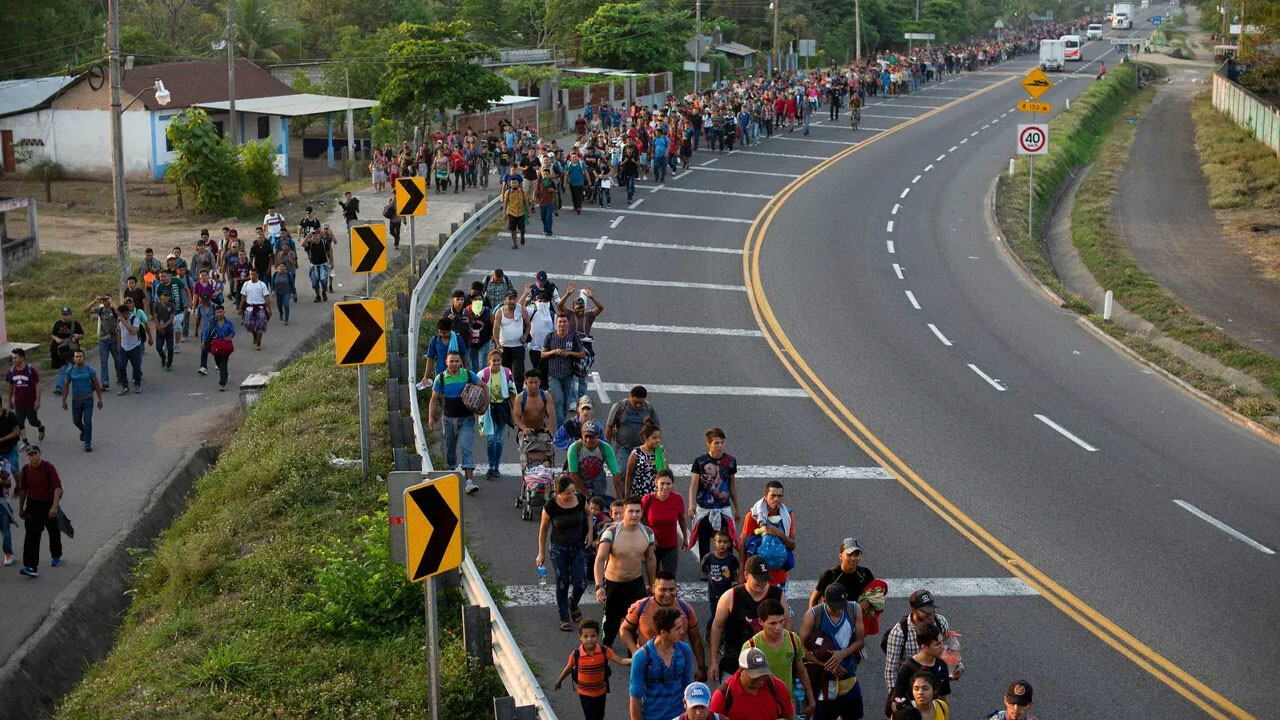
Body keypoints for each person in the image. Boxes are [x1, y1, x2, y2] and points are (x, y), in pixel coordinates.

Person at [709, 556, 787, 682]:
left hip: (768, 663)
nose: (761, 583)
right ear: (746, 575)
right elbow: (717, 627)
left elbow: (787, 625)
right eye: (758, 579)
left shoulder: (777, 594)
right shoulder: (730, 596)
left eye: (765, 579)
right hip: (735, 662)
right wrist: (713, 661)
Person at [594, 495, 657, 649]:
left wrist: (652, 584)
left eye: (637, 511)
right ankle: (604, 652)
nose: (634, 515)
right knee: (610, 625)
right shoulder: (612, 532)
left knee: (637, 623)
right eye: (631, 511)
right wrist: (599, 586)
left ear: (642, 512)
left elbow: (650, 559)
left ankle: (634, 657)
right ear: (623, 512)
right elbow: (600, 559)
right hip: (613, 585)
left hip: (636, 584)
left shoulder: (648, 533)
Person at [620, 571, 707, 678]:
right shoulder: (640, 607)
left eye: (671, 590)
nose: (667, 594)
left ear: (677, 589)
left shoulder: (686, 609)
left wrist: (701, 667)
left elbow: (696, 639)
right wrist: (635, 651)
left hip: (676, 668)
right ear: (653, 589)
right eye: (663, 590)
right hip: (646, 666)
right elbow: (624, 629)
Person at [799, 583, 865, 720]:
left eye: (841, 607)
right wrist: (826, 665)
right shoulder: (813, 615)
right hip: (824, 679)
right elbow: (800, 648)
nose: (839, 611)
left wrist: (842, 654)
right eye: (834, 608)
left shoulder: (854, 608)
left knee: (853, 716)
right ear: (824, 601)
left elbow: (860, 641)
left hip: (848, 675)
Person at [537, 475, 592, 631]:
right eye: (568, 493)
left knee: (581, 581)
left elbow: (588, 514)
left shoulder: (580, 499)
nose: (571, 495)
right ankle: (564, 616)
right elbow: (543, 530)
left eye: (573, 491)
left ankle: (573, 603)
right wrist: (540, 553)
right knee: (562, 582)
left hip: (578, 546)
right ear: (559, 493)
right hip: (558, 549)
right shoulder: (550, 506)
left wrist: (589, 532)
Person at [744, 598, 814, 719]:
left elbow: (801, 672)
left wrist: (811, 701)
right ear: (761, 622)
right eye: (772, 623)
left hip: (788, 704)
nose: (778, 627)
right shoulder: (751, 647)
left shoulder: (793, 639)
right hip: (762, 707)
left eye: (781, 621)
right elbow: (744, 682)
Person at [882, 590, 958, 696]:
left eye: (932, 609)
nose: (931, 614)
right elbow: (891, 670)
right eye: (926, 611)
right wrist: (895, 698)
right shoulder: (899, 632)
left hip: (934, 684)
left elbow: (948, 647)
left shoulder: (941, 622)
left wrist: (957, 666)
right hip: (912, 688)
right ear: (913, 610)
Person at [554, 618, 632, 720]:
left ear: (597, 636)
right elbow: (568, 668)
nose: (589, 639)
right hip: (584, 694)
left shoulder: (604, 651)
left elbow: (620, 660)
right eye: (585, 636)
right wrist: (559, 680)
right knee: (591, 717)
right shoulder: (576, 654)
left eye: (593, 636)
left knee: (599, 716)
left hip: (600, 693)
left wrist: (636, 659)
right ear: (580, 637)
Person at [628, 606, 695, 720]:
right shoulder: (642, 657)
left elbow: (687, 687)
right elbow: (635, 697)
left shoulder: (685, 651)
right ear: (663, 632)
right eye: (677, 629)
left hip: (679, 716)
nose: (682, 631)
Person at [428, 351, 481, 494]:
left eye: (457, 361)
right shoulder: (441, 378)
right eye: (451, 361)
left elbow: (484, 386)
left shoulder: (468, 375)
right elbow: (434, 399)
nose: (454, 364)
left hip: (467, 419)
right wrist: (431, 418)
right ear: (446, 362)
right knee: (450, 449)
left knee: (466, 448)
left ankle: (469, 481)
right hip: (449, 420)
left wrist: (484, 405)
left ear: (461, 362)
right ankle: (452, 472)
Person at [689, 427, 740, 561]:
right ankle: (705, 566)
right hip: (704, 508)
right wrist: (691, 505)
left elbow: (732, 485)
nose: (720, 446)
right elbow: (694, 484)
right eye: (716, 443)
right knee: (703, 536)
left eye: (722, 442)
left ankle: (730, 566)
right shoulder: (700, 461)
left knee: (728, 538)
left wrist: (736, 508)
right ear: (708, 443)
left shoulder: (730, 461)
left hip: (723, 507)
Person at [708, 646, 797, 720]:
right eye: (755, 674)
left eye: (763, 673)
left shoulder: (777, 686)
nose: (760, 678)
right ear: (742, 670)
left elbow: (790, 716)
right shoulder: (723, 695)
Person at [15, 446, 62, 577]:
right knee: (31, 535)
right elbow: (23, 489)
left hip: (48, 503)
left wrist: (54, 507)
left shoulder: (48, 467)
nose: (32, 457)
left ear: (39, 454)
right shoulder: (25, 470)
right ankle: (30, 566)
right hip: (33, 505)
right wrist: (21, 508)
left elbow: (57, 488)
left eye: (34, 454)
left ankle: (56, 555)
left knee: (53, 530)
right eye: (30, 455)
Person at [741, 481, 796, 591]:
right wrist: (741, 573)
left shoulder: (788, 516)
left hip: (779, 577)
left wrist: (778, 533)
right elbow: (743, 545)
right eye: (773, 495)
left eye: (779, 496)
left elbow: (792, 545)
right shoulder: (753, 516)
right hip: (757, 577)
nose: (776, 499)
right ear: (765, 496)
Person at [886, 625, 950, 717]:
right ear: (924, 647)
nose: (942, 647)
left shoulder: (941, 665)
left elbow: (944, 695)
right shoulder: (906, 670)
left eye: (942, 642)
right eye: (937, 644)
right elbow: (896, 703)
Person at [477, 349, 516, 480]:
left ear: (501, 361)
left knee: (499, 439)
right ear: (489, 361)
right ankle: (490, 465)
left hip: (502, 408)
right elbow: (476, 393)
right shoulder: (482, 374)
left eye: (498, 360)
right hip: (488, 409)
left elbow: (511, 393)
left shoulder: (506, 373)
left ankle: (496, 467)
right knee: (491, 439)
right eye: (494, 360)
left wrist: (515, 413)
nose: (496, 363)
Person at [542, 314, 585, 425]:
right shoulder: (550, 336)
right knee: (559, 399)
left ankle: (563, 421)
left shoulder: (573, 336)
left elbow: (582, 354)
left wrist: (569, 352)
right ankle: (561, 425)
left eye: (564, 322)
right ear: (556, 323)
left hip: (568, 374)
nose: (562, 324)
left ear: (568, 323)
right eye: (560, 322)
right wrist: (554, 352)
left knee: (566, 401)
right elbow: (543, 354)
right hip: (553, 374)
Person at [811, 538, 875, 610]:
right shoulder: (829, 575)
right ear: (840, 556)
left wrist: (868, 603)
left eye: (856, 555)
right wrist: (814, 618)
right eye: (849, 554)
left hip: (860, 618)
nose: (853, 558)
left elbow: (876, 596)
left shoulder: (865, 574)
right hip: (835, 619)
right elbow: (814, 600)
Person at [642, 469, 686, 574]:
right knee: (653, 580)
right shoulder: (647, 499)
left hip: (671, 546)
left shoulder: (678, 499)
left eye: (668, 484)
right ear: (656, 483)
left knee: (670, 578)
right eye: (662, 483)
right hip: (652, 546)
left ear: (672, 484)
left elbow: (682, 519)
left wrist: (685, 538)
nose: (665, 487)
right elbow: (640, 522)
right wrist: (648, 539)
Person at [61, 349, 104, 450]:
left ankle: (87, 443)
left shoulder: (90, 370)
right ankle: (84, 430)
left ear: (84, 358)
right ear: (73, 359)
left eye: (80, 356)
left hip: (88, 399)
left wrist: (100, 398)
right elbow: (66, 386)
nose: (79, 358)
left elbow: (97, 384)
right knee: (76, 421)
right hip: (76, 401)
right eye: (76, 357)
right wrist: (64, 400)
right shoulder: (70, 371)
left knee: (88, 420)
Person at [606, 385, 659, 460]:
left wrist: (657, 447)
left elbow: (656, 428)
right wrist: (608, 447)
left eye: (641, 403)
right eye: (636, 402)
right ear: (630, 396)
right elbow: (609, 427)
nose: (638, 405)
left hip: (643, 448)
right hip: (623, 448)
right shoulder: (620, 406)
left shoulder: (649, 408)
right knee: (622, 470)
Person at [7, 349, 45, 446]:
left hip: (30, 402)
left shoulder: (30, 370)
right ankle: (26, 442)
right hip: (18, 402)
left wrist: (37, 400)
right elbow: (11, 386)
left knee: (33, 421)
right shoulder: (11, 371)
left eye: (15, 358)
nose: (13, 360)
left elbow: (37, 384)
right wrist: (10, 401)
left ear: (22, 358)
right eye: (12, 358)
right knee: (19, 423)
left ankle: (40, 427)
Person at [493, 288, 531, 384]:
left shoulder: (522, 310)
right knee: (505, 373)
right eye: (509, 299)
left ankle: (518, 394)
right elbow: (495, 329)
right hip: (504, 348)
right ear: (505, 300)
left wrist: (525, 336)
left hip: (518, 347)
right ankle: (506, 394)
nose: (512, 301)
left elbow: (528, 325)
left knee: (519, 374)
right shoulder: (500, 312)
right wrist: (497, 343)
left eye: (514, 298)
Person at [86, 294, 121, 391]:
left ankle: (120, 376)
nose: (104, 302)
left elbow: (119, 311)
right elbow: (86, 310)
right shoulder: (100, 309)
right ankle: (105, 382)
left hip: (114, 339)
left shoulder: (114, 309)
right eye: (103, 300)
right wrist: (95, 301)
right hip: (103, 340)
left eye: (106, 300)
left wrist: (111, 301)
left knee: (117, 360)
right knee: (103, 362)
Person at [702, 529, 738, 619]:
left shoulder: (732, 559)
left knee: (728, 616)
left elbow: (734, 574)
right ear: (714, 543)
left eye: (725, 542)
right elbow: (704, 569)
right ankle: (709, 631)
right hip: (713, 593)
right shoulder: (708, 558)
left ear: (729, 544)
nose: (722, 544)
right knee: (715, 615)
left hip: (727, 592)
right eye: (719, 541)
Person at [623, 419, 663, 498]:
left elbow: (666, 474)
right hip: (638, 495)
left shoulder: (661, 452)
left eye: (659, 437)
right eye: (654, 438)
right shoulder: (636, 453)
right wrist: (627, 496)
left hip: (656, 496)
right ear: (646, 438)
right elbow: (629, 475)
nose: (658, 440)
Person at [49, 307, 84, 395]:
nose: (65, 316)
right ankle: (59, 388)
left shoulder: (75, 323)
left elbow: (82, 334)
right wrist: (56, 339)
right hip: (62, 350)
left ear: (70, 315)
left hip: (73, 350)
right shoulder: (57, 323)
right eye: (64, 314)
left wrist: (77, 336)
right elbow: (52, 334)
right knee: (63, 368)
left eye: (67, 314)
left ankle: (83, 386)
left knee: (77, 367)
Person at [238, 269, 271, 350]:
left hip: (260, 308)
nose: (252, 276)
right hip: (249, 307)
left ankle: (258, 343)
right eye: (251, 274)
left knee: (260, 325)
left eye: (254, 274)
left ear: (257, 275)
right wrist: (240, 308)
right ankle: (255, 336)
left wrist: (268, 308)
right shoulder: (246, 284)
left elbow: (266, 297)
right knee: (248, 324)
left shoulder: (262, 285)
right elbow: (243, 297)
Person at [115, 304, 144, 395]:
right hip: (124, 347)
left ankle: (137, 384)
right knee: (121, 366)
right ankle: (125, 386)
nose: (119, 316)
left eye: (120, 314)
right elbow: (119, 332)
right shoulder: (120, 320)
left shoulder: (134, 319)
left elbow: (133, 331)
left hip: (134, 347)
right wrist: (119, 346)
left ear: (125, 313)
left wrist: (125, 322)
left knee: (136, 367)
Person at [302, 230, 332, 302]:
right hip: (314, 265)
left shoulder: (324, 243)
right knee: (315, 282)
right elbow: (303, 244)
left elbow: (330, 252)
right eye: (313, 236)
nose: (315, 237)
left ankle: (324, 292)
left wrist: (331, 262)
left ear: (320, 236)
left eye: (316, 236)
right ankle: (318, 296)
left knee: (324, 281)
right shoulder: (310, 243)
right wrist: (307, 236)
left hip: (323, 265)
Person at [503, 177, 529, 248]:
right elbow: (505, 204)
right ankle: (515, 244)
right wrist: (504, 213)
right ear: (510, 184)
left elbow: (526, 203)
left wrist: (528, 212)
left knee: (522, 228)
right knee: (512, 229)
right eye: (512, 183)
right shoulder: (507, 193)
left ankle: (522, 236)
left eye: (515, 183)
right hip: (512, 213)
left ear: (518, 183)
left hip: (521, 213)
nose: (514, 184)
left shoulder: (523, 192)